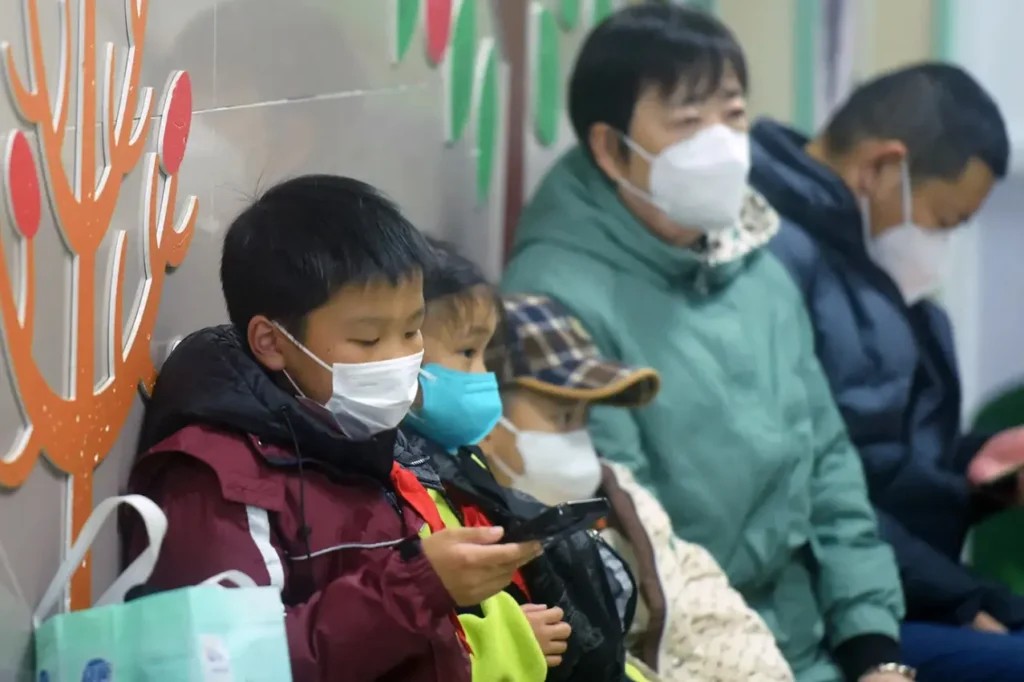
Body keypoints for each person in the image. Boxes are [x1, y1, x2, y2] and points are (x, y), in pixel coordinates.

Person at [501, 5, 910, 681]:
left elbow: (831, 467)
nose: (721, 143)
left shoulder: (756, 264)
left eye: (734, 114)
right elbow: (641, 535)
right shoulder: (552, 297)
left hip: (813, 638)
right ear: (609, 148)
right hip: (691, 652)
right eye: (687, 122)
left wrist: (875, 647)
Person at [122, 175, 541, 682]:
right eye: (367, 340)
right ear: (272, 342)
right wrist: (418, 586)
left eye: (412, 330)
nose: (399, 358)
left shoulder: (353, 435)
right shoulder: (216, 479)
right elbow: (236, 667)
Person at [749, 64, 1024, 680]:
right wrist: (965, 599)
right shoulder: (773, 263)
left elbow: (884, 458)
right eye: (944, 221)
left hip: (902, 581)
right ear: (880, 169)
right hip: (838, 606)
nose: (942, 245)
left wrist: (982, 476)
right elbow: (824, 488)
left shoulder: (863, 260)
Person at [481, 291, 795, 682]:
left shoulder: (620, 498)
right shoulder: (471, 533)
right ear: (485, 413)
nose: (579, 439)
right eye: (562, 416)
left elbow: (707, 610)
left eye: (584, 417)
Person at [402, 238, 642, 682]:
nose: (481, 378)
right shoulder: (401, 492)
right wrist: (508, 642)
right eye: (467, 353)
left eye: (487, 356)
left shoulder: (465, 476)